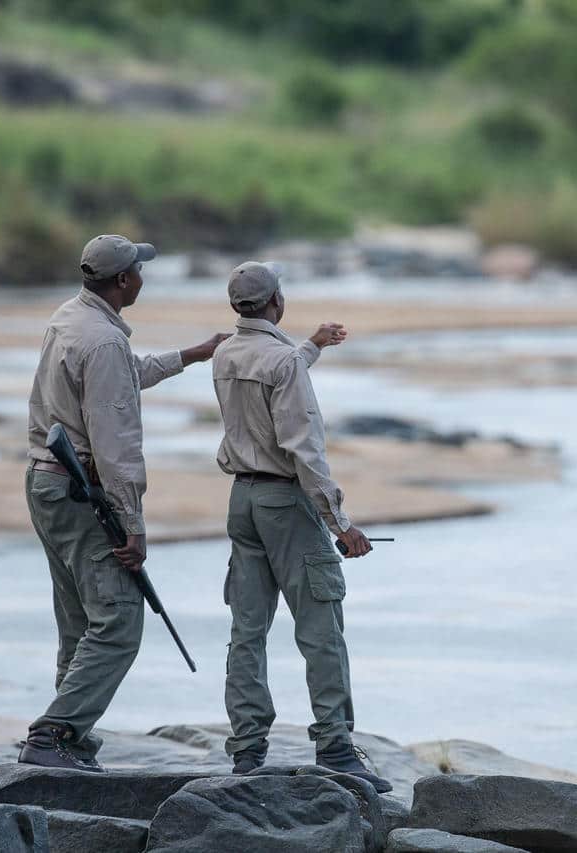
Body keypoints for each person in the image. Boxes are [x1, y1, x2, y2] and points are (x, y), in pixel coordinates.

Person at [19, 234, 225, 772]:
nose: (143, 277)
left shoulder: (70, 317)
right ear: (123, 280)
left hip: (45, 484)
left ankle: (69, 740)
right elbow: (116, 446)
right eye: (138, 270)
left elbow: (125, 376)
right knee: (118, 623)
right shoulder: (104, 341)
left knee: (79, 621)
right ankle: (53, 735)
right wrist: (133, 525)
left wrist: (192, 355)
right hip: (79, 491)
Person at [213, 261, 392, 793]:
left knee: (247, 630)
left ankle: (247, 751)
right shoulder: (284, 361)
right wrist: (342, 524)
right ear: (277, 302)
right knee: (320, 629)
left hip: (242, 500)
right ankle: (335, 747)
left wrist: (312, 346)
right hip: (286, 504)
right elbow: (303, 449)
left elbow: (273, 372)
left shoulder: (225, 353)